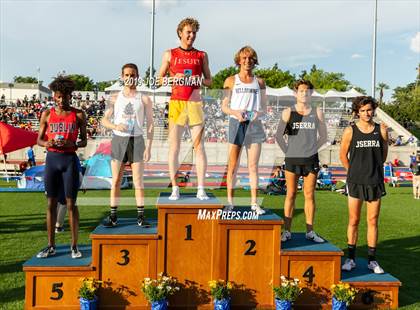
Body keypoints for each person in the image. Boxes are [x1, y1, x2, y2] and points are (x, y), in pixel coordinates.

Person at [157, 17, 212, 200]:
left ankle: (201, 188)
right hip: (177, 103)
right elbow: (158, 80)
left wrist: (197, 80)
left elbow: (209, 81)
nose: (192, 35)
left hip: (195, 103)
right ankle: (175, 188)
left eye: (194, 32)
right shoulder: (169, 54)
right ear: (180, 33)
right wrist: (175, 78)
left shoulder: (201, 55)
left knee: (199, 147)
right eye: (188, 32)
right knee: (174, 147)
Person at [36, 76, 87, 258]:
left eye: (65, 96)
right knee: (50, 204)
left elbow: (84, 142)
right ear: (54, 96)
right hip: (52, 160)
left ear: (70, 96)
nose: (61, 99)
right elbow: (39, 140)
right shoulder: (47, 114)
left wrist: (69, 143)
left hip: (70, 161)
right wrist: (47, 143)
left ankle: (74, 246)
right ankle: (51, 245)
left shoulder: (79, 114)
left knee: (71, 204)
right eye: (58, 96)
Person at [101, 63, 154, 227]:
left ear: (137, 77)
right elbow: (104, 120)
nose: (130, 78)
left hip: (137, 140)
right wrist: (115, 126)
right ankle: (113, 216)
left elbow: (151, 124)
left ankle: (140, 215)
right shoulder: (115, 98)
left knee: (138, 182)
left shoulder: (144, 98)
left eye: (133, 75)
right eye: (127, 75)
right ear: (122, 76)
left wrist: (149, 147)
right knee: (116, 180)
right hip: (119, 140)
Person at [340, 96, 388, 274]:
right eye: (362, 110)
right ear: (357, 112)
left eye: (369, 109)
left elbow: (383, 156)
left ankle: (372, 261)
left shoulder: (380, 129)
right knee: (354, 220)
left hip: (374, 181)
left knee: (373, 221)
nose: (367, 113)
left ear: (373, 110)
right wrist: (352, 173)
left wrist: (373, 169)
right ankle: (350, 258)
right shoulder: (350, 131)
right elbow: (343, 155)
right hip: (355, 182)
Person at [275, 79, 327, 243]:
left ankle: (310, 231)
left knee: (309, 195)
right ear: (295, 93)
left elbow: (324, 136)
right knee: (290, 194)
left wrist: (312, 149)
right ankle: (287, 231)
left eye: (307, 90)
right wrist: (289, 151)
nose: (304, 93)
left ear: (311, 93)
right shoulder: (288, 112)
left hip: (311, 160)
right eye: (301, 90)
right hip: (292, 159)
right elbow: (279, 136)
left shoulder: (317, 111)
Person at [221, 46, 267, 214]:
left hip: (254, 125)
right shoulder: (230, 81)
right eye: (244, 58)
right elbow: (224, 107)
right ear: (239, 60)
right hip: (236, 124)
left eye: (251, 58)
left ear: (255, 61)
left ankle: (254, 203)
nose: (247, 61)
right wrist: (235, 112)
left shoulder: (260, 82)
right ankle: (229, 202)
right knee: (233, 166)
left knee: (253, 166)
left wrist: (257, 114)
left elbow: (264, 107)